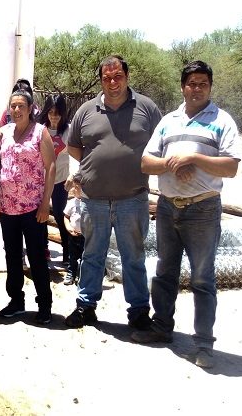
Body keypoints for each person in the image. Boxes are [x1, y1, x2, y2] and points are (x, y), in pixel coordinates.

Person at [131, 60, 242, 369]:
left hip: (203, 209)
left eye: (202, 83)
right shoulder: (169, 121)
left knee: (203, 278)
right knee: (165, 272)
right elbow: (145, 162)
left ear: (210, 87)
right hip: (168, 207)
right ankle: (161, 328)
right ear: (182, 86)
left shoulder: (222, 121)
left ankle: (204, 344)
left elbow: (231, 166)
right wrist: (172, 163)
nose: (196, 88)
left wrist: (194, 157)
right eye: (191, 83)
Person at [64, 55, 162, 329]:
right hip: (93, 200)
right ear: (101, 80)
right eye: (106, 78)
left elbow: (161, 143)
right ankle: (85, 306)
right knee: (92, 255)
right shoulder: (86, 110)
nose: (112, 82)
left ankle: (139, 311)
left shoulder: (147, 108)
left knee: (133, 257)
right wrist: (91, 167)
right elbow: (74, 147)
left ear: (127, 77)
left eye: (117, 76)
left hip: (133, 199)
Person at [0, 90, 56, 324]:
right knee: (12, 256)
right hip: (8, 208)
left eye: (21, 106)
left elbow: (50, 167)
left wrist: (45, 204)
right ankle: (16, 301)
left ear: (30, 108)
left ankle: (44, 304)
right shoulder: (5, 132)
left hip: (33, 208)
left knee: (37, 257)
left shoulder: (40, 132)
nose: (17, 110)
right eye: (13, 106)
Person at [37, 94, 70, 262]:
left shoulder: (69, 131)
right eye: (51, 112)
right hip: (42, 181)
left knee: (59, 215)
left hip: (61, 181)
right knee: (41, 215)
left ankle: (67, 250)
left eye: (57, 112)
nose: (54, 116)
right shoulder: (40, 130)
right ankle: (43, 249)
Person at [62, 178, 85, 286]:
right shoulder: (71, 203)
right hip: (73, 235)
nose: (74, 190)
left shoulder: (89, 202)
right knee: (72, 257)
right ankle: (71, 273)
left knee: (84, 257)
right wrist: (68, 227)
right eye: (74, 187)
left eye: (77, 188)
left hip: (85, 236)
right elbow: (66, 217)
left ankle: (81, 275)